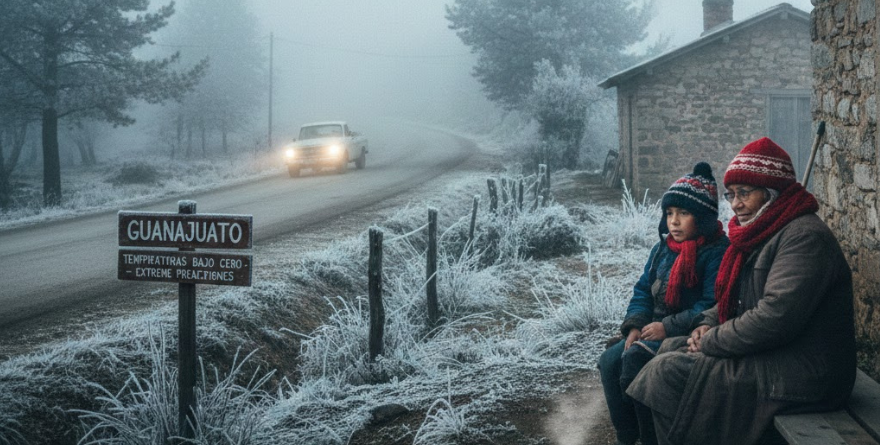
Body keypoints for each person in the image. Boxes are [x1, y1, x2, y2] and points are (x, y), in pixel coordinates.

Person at [627, 137, 856, 445]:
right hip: (776, 355)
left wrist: (712, 340)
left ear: (772, 193)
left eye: (744, 193)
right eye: (731, 194)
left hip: (807, 370)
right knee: (665, 353)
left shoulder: (803, 238)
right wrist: (706, 323)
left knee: (667, 374)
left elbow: (775, 318)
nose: (734, 204)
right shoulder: (763, 233)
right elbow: (734, 300)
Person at [599, 162, 729, 445]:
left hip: (684, 332)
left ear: (703, 218)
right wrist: (634, 325)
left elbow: (711, 303)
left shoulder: (716, 252)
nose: (674, 221)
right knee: (609, 362)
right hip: (651, 329)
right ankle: (626, 435)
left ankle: (651, 437)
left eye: (684, 213)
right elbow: (643, 290)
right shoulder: (662, 250)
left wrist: (666, 327)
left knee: (635, 362)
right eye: (669, 213)